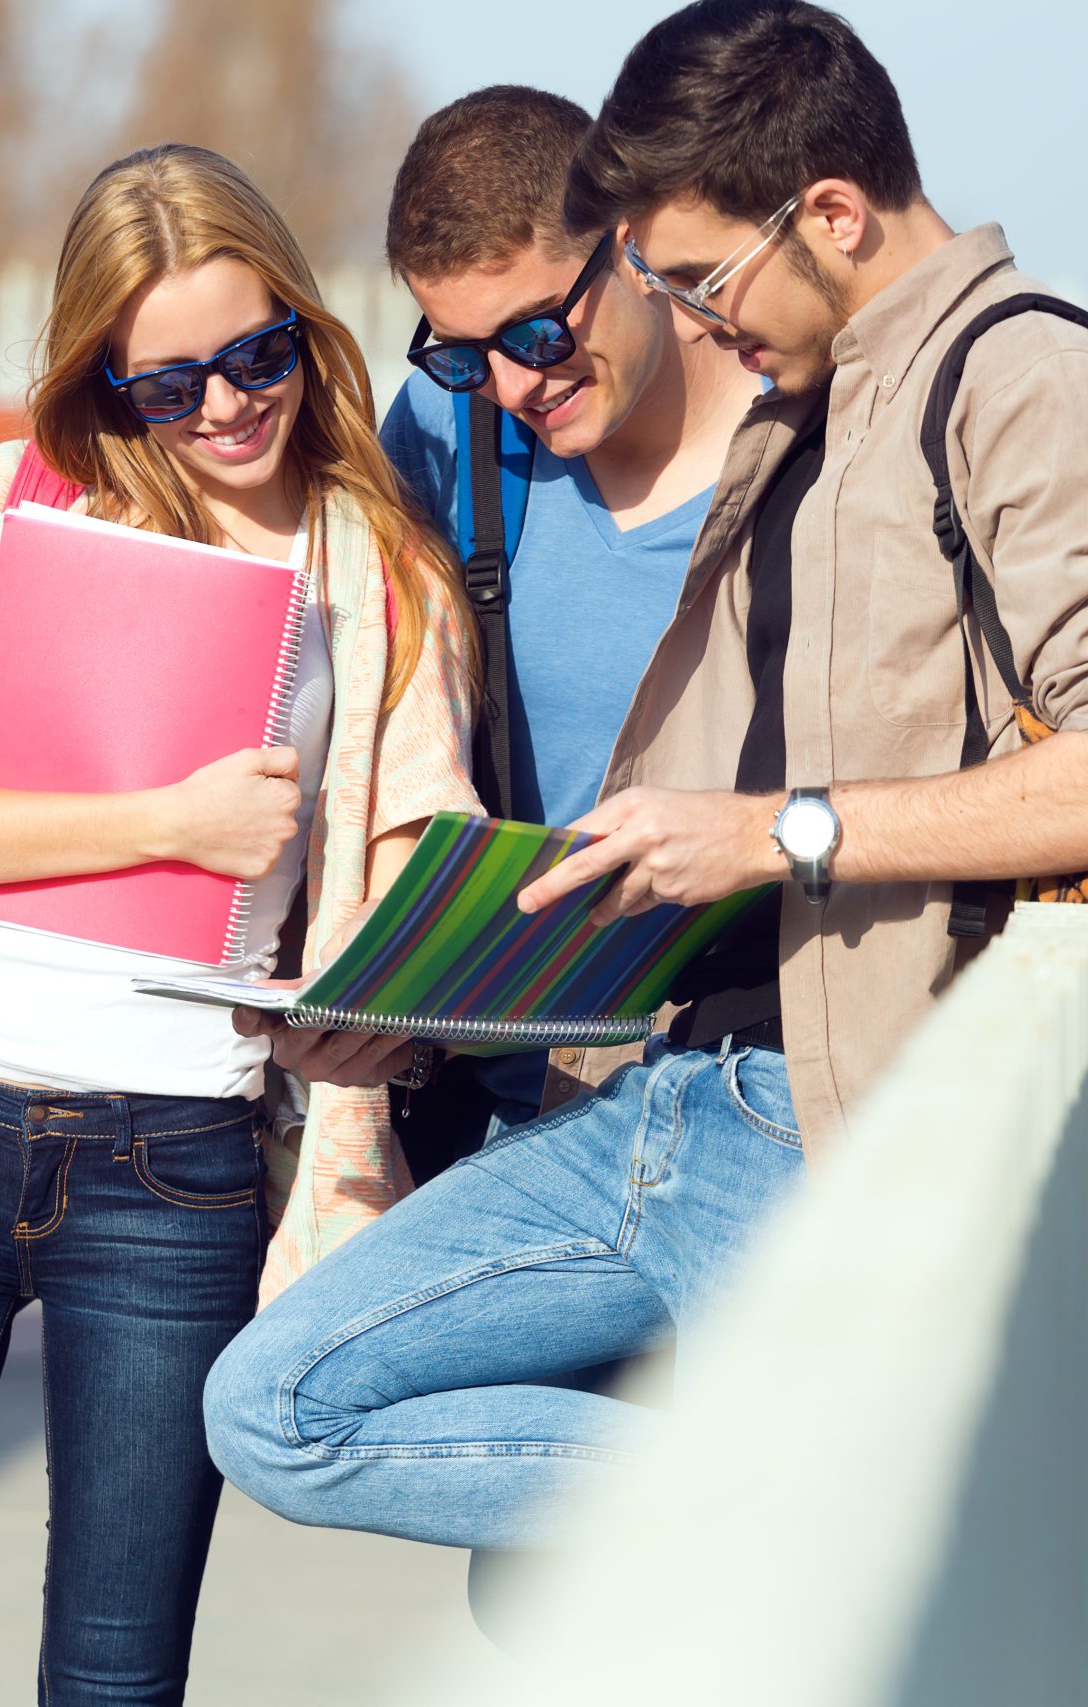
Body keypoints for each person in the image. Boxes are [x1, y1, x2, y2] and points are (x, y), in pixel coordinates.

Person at [206, 0, 1088, 1555]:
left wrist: (775, 832)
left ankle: (799, 1506)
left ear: (828, 211)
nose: (697, 315)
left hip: (828, 1119)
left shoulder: (1026, 380)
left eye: (698, 278)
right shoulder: (825, 393)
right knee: (277, 1404)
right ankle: (778, 1498)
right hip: (635, 1087)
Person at [0, 144, 476, 1706]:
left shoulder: (388, 571)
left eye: (257, 357)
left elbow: (414, 881)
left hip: (182, 1166)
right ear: (107, 376)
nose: (225, 408)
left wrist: (362, 1007)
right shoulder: (22, 504)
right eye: (170, 385)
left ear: (304, 329)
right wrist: (166, 820)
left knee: (113, 1679)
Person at [250, 85, 760, 1194]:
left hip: (734, 1103)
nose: (515, 385)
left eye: (537, 330)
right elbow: (345, 715)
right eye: (464, 352)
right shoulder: (447, 434)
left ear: (630, 242)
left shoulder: (801, 442)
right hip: (490, 1115)